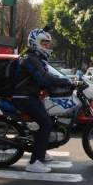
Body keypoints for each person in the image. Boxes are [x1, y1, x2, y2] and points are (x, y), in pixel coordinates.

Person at [11, 28, 73, 173]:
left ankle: (41, 149)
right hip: (24, 97)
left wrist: (62, 80)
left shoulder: (34, 58)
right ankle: (34, 162)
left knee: (47, 119)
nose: (47, 46)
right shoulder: (30, 59)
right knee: (45, 123)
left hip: (29, 96)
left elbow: (45, 76)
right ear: (35, 43)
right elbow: (43, 78)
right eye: (44, 43)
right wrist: (64, 81)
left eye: (47, 43)